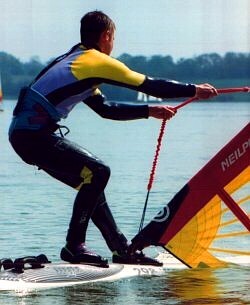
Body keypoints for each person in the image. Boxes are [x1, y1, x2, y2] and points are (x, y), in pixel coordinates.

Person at [8, 11, 217, 267]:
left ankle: (121, 250)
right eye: (113, 38)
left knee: (92, 183)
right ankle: (74, 246)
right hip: (32, 135)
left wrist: (148, 111)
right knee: (98, 172)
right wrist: (195, 89)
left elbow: (105, 108)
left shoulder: (76, 62)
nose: (112, 44)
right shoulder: (95, 61)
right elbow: (150, 86)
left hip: (24, 135)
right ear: (106, 36)